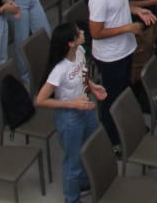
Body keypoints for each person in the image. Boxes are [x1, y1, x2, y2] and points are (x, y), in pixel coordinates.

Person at [87, 0, 155, 145]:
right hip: (110, 56)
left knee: (125, 92)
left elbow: (123, 5)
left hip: (126, 49)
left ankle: (127, 128)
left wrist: (138, 11)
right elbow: (96, 33)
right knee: (111, 98)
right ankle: (112, 139)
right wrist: (128, 27)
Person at [35, 23, 107, 203]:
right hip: (70, 118)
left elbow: (83, 73)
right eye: (78, 33)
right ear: (70, 43)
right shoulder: (59, 70)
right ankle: (71, 198)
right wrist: (71, 103)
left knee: (90, 147)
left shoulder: (81, 51)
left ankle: (83, 183)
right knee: (72, 162)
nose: (82, 32)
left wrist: (92, 86)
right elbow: (41, 100)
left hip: (86, 109)